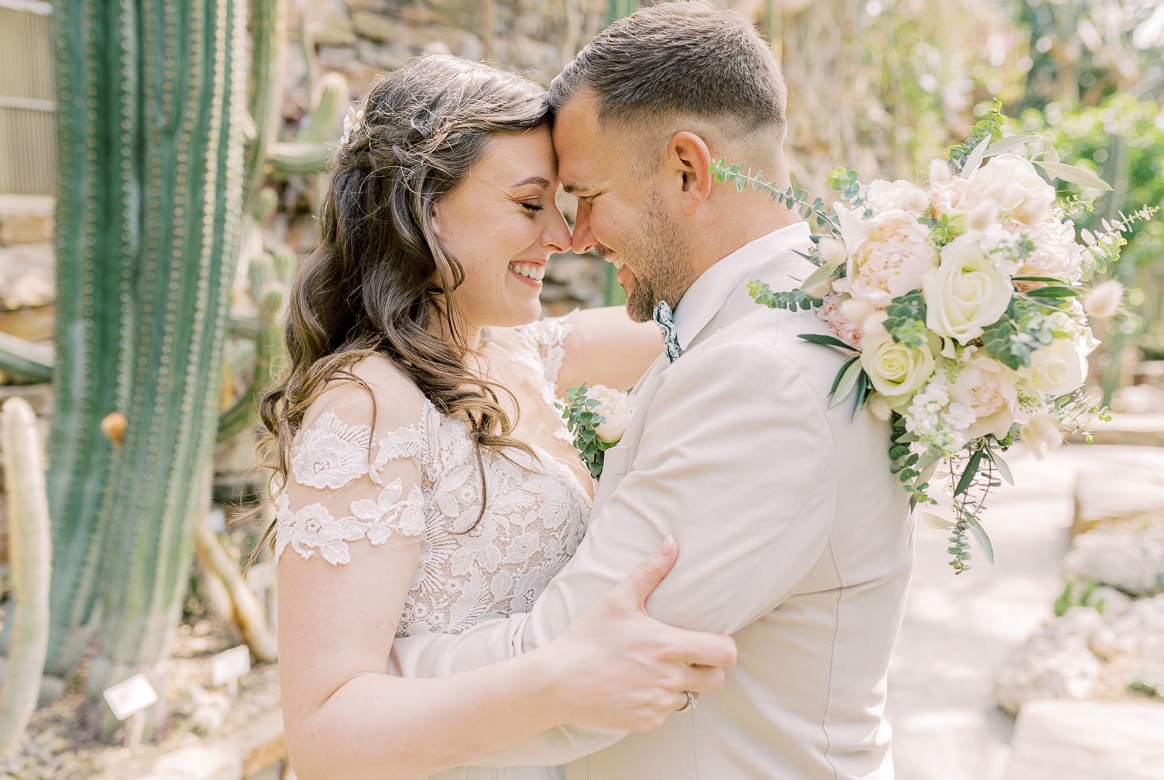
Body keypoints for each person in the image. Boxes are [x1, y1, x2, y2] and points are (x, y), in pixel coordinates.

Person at [388, 3, 916, 779]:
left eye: (587, 196)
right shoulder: (792, 320)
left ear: (687, 169)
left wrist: (366, 682)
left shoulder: (762, 378)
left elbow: (573, 667)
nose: (576, 235)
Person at [259, 54, 738, 780]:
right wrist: (562, 682)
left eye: (565, 203)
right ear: (424, 210)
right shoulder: (364, 405)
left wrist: (895, 272)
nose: (565, 235)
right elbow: (325, 736)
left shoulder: (515, 352)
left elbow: (719, 316)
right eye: (528, 204)